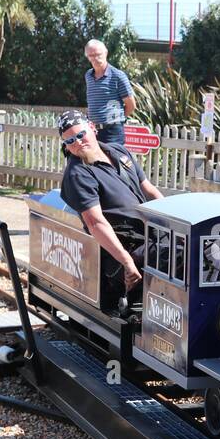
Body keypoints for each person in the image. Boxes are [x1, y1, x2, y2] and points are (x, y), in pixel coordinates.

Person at [57, 110, 163, 309]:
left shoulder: (118, 151)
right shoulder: (77, 174)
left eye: (80, 135)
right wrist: (127, 261)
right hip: (125, 247)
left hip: (150, 234)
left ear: (92, 128)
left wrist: (176, 222)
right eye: (70, 141)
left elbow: (148, 190)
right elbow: (95, 223)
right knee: (177, 254)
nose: (78, 142)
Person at [83, 40, 135, 147]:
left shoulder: (118, 76)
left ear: (105, 53)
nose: (95, 58)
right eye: (91, 55)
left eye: (98, 54)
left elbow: (131, 105)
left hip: (112, 133)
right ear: (87, 57)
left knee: (112, 162)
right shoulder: (88, 75)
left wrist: (116, 120)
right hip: (93, 131)